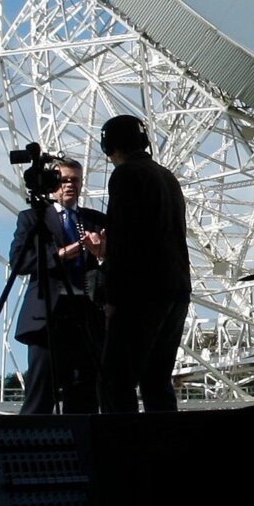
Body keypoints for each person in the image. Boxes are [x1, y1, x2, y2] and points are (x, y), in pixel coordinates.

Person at [86, 114, 191, 413]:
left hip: (142, 292)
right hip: (176, 290)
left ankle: (124, 452)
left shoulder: (126, 175)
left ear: (109, 146)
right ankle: (167, 451)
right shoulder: (167, 176)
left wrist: (113, 297)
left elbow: (125, 239)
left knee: (114, 381)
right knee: (157, 381)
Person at [8, 157, 108, 414]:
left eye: (75, 180)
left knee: (85, 395)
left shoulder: (97, 221)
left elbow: (118, 268)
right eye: (63, 180)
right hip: (48, 314)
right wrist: (64, 254)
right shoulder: (33, 219)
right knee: (41, 393)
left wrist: (100, 256)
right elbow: (20, 263)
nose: (69, 185)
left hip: (86, 312)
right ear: (53, 183)